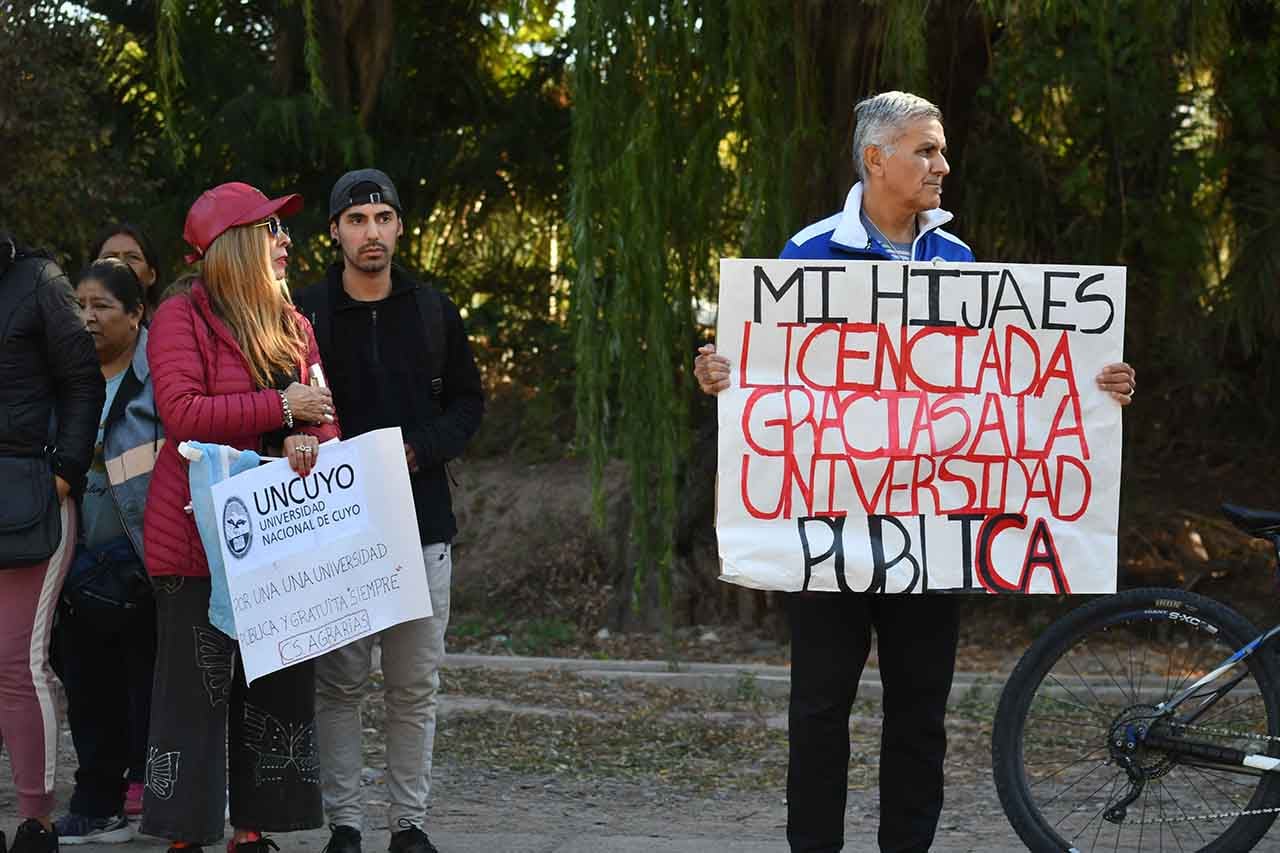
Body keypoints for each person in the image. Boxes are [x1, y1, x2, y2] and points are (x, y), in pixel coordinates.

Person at [693, 91, 1137, 853]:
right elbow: (772, 370)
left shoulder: (958, 262)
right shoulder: (807, 254)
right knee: (819, 709)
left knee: (920, 710)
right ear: (876, 159)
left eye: (940, 150)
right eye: (926, 151)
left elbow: (1006, 385)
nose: (943, 164)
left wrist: (1097, 380)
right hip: (830, 524)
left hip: (930, 531)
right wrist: (722, 371)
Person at [140, 183, 339, 853]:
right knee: (193, 693)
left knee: (275, 685)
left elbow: (323, 415)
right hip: (196, 543)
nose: (286, 244)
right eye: (272, 231)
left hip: (278, 540)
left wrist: (310, 437)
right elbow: (184, 413)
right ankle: (184, 835)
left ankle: (253, 829)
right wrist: (281, 410)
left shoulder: (295, 324)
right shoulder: (179, 317)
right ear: (236, 247)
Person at [294, 169, 484, 853]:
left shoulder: (434, 310)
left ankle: (409, 825)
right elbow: (279, 401)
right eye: (356, 219)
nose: (370, 231)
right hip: (338, 535)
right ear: (335, 232)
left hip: (423, 528)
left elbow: (469, 405)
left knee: (413, 688)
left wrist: (417, 449)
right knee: (338, 685)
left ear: (400, 226)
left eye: (382, 217)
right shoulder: (304, 314)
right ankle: (344, 825)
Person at [0, 230, 105, 853]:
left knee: (18, 663)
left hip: (32, 497)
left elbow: (83, 381)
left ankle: (36, 822)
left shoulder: (39, 282)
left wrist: (64, 472)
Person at [53, 258, 161, 843]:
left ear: (137, 314)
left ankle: (159, 796)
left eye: (102, 307)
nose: (88, 319)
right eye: (80, 306)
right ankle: (96, 802)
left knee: (147, 686)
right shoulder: (65, 377)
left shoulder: (158, 378)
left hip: (144, 561)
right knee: (85, 685)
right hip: (72, 560)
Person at [91, 224, 163, 319]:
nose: (120, 264)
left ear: (151, 275)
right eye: (109, 257)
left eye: (132, 257)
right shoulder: (75, 327)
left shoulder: (173, 326)